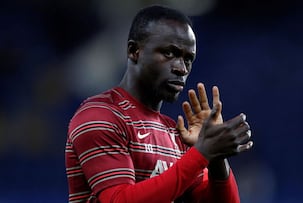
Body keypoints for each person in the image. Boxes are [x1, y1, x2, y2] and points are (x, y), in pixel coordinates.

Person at [65, 5, 253, 203]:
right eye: (170, 53)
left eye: (188, 59)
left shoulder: (177, 134)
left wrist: (216, 157)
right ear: (134, 51)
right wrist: (201, 153)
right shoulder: (99, 116)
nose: (181, 68)